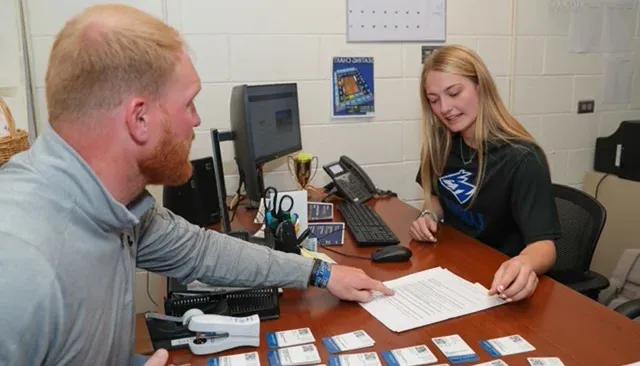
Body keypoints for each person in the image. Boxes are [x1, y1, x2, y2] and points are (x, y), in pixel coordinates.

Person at [0, 4, 393, 366]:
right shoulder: (19, 264)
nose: (196, 120)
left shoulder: (117, 207)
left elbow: (202, 251)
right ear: (139, 119)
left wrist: (321, 274)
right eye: (188, 103)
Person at [410, 45, 561, 304]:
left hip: (497, 284)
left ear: (480, 87)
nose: (445, 108)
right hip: (454, 271)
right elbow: (437, 196)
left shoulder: (522, 158)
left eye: (454, 93)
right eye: (434, 100)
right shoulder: (441, 143)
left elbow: (545, 246)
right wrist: (429, 214)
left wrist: (524, 263)